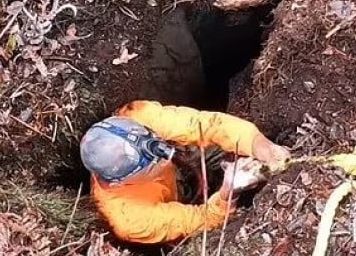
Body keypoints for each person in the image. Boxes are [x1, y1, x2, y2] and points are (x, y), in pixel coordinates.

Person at [79, 100, 290, 245]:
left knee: (234, 147)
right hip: (176, 212)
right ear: (120, 182)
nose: (165, 159)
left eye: (158, 146)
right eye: (153, 165)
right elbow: (204, 220)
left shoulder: (138, 116)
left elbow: (207, 125)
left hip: (184, 168)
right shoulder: (129, 218)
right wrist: (229, 192)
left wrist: (259, 145)